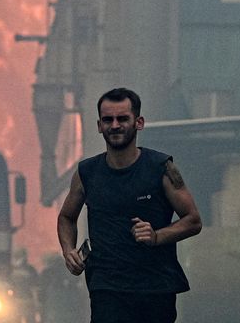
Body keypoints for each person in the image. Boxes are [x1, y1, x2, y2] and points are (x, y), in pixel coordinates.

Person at [57, 88, 203, 323]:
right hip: (107, 289)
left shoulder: (161, 168)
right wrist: (68, 251)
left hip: (155, 289)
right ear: (99, 126)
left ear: (139, 122)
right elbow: (66, 217)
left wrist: (157, 236)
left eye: (122, 118)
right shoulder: (87, 172)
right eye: (108, 120)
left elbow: (193, 220)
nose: (115, 125)